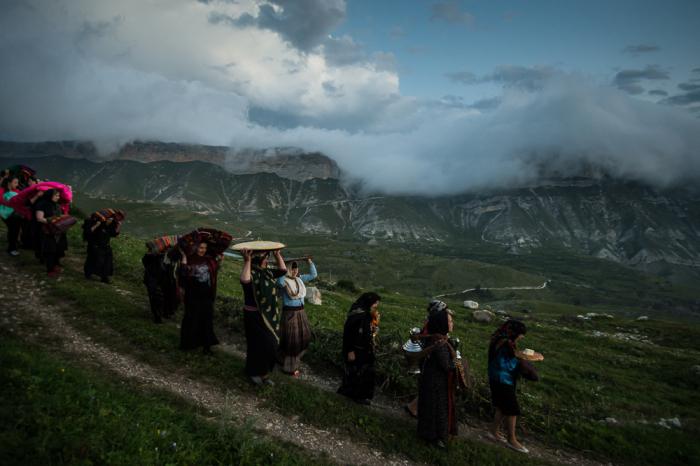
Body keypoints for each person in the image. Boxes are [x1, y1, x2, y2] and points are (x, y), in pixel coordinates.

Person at [488, 320, 541, 454]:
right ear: (515, 333)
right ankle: (512, 440)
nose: (521, 337)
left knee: (501, 405)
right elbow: (515, 355)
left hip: (498, 376)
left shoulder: (500, 338)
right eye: (520, 335)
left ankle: (493, 432)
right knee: (512, 409)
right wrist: (531, 358)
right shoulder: (505, 342)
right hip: (502, 378)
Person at [240, 248, 287, 386]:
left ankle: (264, 373)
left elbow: (283, 271)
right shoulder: (252, 273)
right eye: (265, 258)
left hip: (269, 316)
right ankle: (254, 372)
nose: (267, 260)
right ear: (259, 260)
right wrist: (247, 261)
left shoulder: (268, 273)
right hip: (253, 316)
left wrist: (277, 255)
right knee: (256, 345)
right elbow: (244, 280)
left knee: (271, 345)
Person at [417, 307, 459, 448]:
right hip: (437, 383)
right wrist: (457, 364)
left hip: (430, 379)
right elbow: (446, 366)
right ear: (442, 323)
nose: (452, 324)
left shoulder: (434, 338)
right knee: (437, 409)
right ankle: (435, 438)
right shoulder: (440, 343)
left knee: (430, 407)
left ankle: (428, 434)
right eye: (450, 321)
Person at [405, 299, 450, 418]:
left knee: (427, 386)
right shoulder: (434, 324)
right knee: (429, 386)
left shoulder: (430, 320)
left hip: (427, 355)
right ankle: (414, 408)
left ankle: (414, 407)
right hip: (429, 356)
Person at [338, 292, 381, 405]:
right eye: (375, 303)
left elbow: (367, 330)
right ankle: (356, 395)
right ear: (369, 302)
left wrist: (374, 330)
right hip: (356, 349)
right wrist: (350, 350)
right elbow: (349, 333)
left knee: (361, 371)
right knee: (357, 371)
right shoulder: (358, 314)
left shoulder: (366, 314)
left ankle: (353, 393)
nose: (376, 306)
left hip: (364, 348)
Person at [276, 257, 318, 376]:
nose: (295, 271)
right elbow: (279, 282)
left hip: (301, 313)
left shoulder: (299, 279)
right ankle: (290, 368)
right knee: (292, 340)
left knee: (304, 337)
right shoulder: (283, 280)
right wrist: (282, 268)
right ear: (288, 269)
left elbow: (313, 275)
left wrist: (309, 262)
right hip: (290, 314)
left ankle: (282, 359)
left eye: (296, 268)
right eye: (292, 269)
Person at [179, 242, 222, 354]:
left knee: (207, 320)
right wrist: (184, 258)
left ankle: (206, 347)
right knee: (190, 318)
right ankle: (187, 344)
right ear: (195, 247)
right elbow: (183, 277)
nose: (202, 250)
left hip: (206, 295)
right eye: (200, 247)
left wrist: (220, 261)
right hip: (192, 295)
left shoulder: (209, 260)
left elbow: (214, 271)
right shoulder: (189, 259)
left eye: (205, 248)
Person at [34, 189, 68, 277]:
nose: (58, 197)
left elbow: (59, 216)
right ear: (50, 195)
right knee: (50, 250)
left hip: (57, 230)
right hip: (47, 230)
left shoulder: (57, 205)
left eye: (58, 196)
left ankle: (55, 264)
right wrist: (52, 221)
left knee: (58, 248)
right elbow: (39, 218)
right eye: (56, 195)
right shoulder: (41, 204)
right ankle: (50, 269)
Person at [83, 214, 121, 283]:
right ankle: (88, 273)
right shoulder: (97, 223)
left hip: (106, 246)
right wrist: (97, 225)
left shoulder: (110, 226)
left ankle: (104, 277)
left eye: (111, 219)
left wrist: (118, 226)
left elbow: (114, 234)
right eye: (109, 219)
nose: (110, 220)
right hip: (96, 246)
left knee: (108, 262)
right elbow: (88, 232)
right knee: (95, 260)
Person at [142, 252, 166, 323]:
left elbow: (145, 263)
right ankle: (157, 315)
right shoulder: (151, 255)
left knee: (155, 297)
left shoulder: (150, 255)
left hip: (156, 278)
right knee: (155, 296)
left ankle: (157, 314)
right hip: (153, 278)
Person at [0, 176, 21, 256]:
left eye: (17, 182)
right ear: (9, 183)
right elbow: (2, 200)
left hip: (15, 214)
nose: (17, 184)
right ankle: (12, 248)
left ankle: (13, 246)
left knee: (14, 230)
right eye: (15, 182)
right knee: (13, 230)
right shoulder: (2, 190)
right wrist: (12, 202)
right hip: (6, 214)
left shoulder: (17, 191)